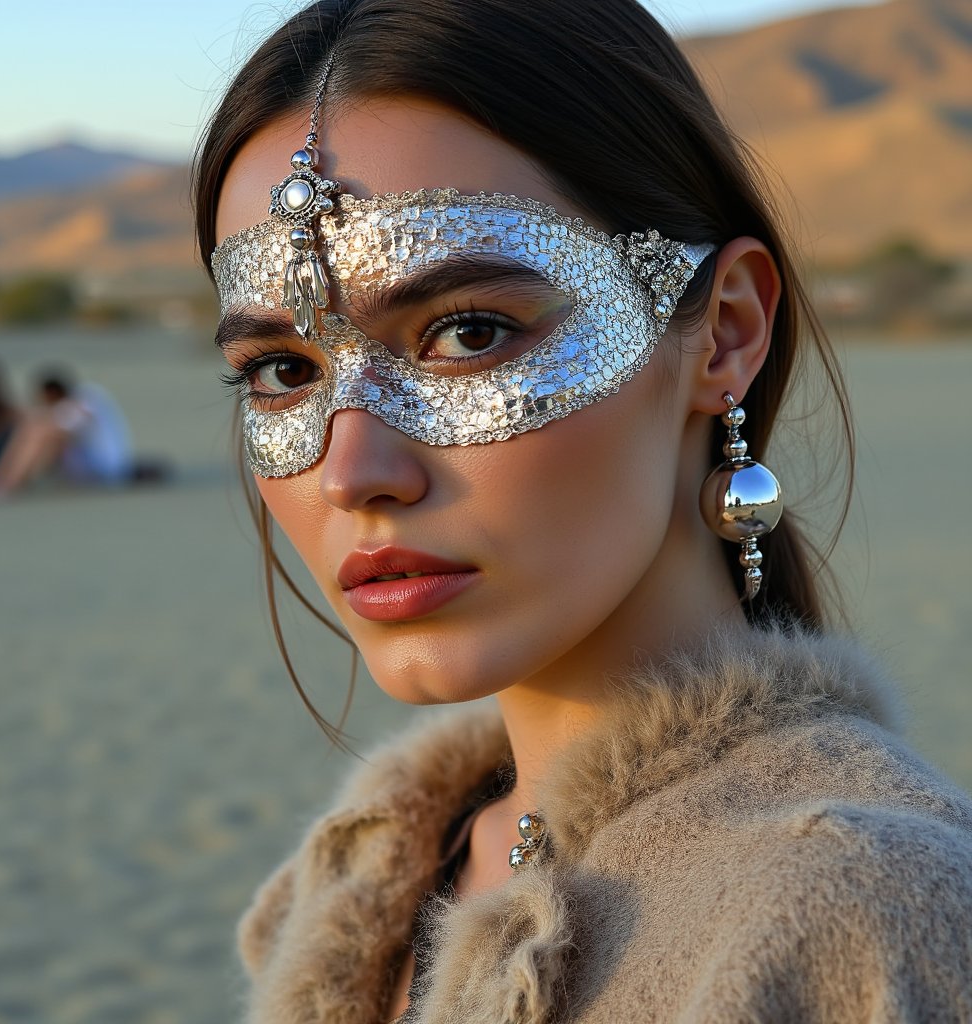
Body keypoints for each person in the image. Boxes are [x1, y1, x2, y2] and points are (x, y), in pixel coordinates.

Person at [193, 2, 972, 1021]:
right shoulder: (351, 879)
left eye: (468, 332)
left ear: (725, 332)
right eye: (283, 370)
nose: (352, 471)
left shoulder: (867, 910)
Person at [0, 369, 132, 499]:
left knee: (42, 433)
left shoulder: (86, 399)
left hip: (106, 469)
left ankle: (7, 483)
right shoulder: (70, 406)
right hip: (90, 467)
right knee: (36, 430)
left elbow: (60, 429)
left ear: (52, 394)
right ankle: (3, 479)